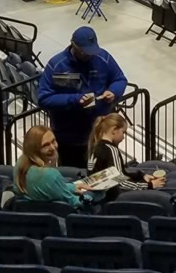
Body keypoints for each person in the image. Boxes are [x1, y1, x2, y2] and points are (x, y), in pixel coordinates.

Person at [37, 27, 128, 168]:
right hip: (69, 137)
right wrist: (75, 100)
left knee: (105, 173)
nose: (89, 56)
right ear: (74, 45)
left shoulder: (103, 57)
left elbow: (119, 79)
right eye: (85, 52)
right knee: (75, 175)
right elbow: (44, 98)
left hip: (100, 136)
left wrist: (113, 91)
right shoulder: (56, 65)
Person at [14, 125, 89, 208]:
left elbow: (49, 188)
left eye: (53, 141)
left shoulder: (19, 165)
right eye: (46, 145)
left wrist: (71, 187)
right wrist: (96, 193)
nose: (53, 147)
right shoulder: (50, 175)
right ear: (35, 149)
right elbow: (77, 203)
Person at [87, 113, 165, 189]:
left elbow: (119, 175)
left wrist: (142, 178)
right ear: (114, 130)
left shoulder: (95, 146)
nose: (123, 137)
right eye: (123, 132)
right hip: (113, 194)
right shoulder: (111, 149)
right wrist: (150, 185)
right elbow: (120, 182)